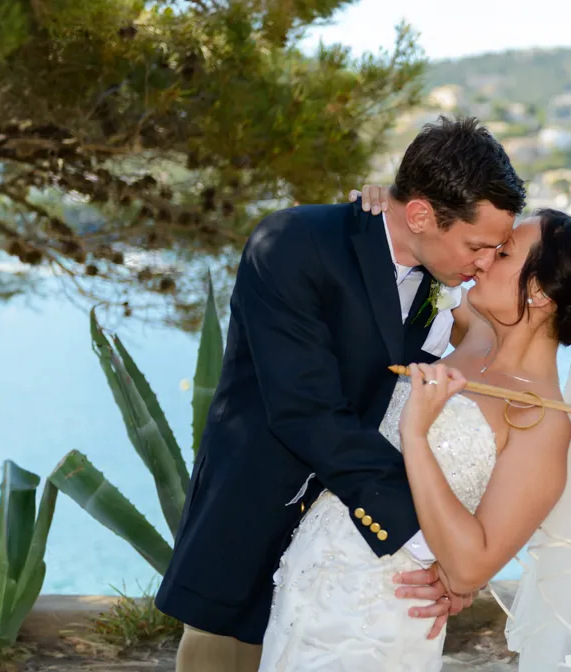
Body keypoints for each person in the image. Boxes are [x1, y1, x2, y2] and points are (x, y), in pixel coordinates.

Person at [154, 116, 527, 672]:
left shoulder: (440, 282)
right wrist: (435, 547)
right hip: (257, 525)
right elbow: (307, 413)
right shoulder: (294, 244)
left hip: (350, 558)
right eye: (477, 245)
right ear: (422, 215)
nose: (483, 263)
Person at [257, 185, 571, 671]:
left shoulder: (543, 422)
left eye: (504, 252)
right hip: (307, 579)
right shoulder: (475, 329)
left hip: (381, 613)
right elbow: (411, 262)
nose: (484, 259)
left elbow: (470, 566)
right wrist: (396, 209)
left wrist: (418, 437)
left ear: (539, 291)